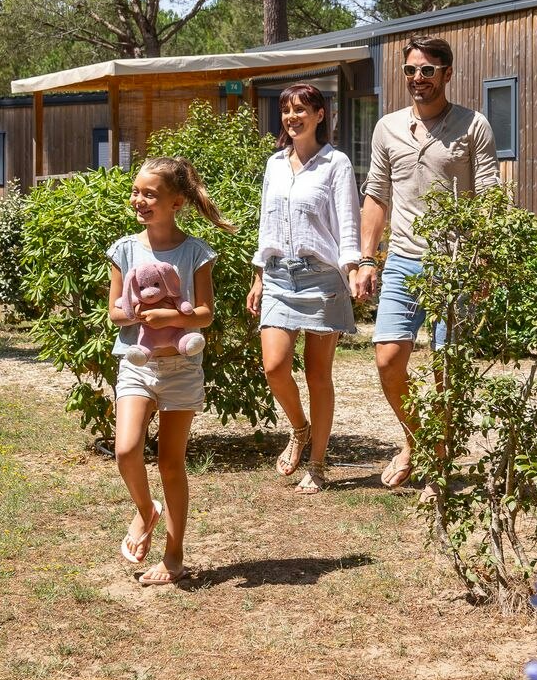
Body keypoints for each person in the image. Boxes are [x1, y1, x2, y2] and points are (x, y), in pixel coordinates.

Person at [349, 36, 500, 489]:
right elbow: (376, 195)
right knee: (388, 359)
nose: (418, 79)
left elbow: (489, 197)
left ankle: (436, 459)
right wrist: (366, 258)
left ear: (447, 74)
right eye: (411, 70)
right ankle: (420, 441)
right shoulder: (387, 128)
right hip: (404, 259)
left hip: (455, 265)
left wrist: (483, 263)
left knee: (446, 367)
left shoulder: (473, 125)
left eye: (428, 71)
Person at [106, 156, 230, 586]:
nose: (139, 200)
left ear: (177, 202)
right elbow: (114, 314)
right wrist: (137, 314)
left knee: (171, 464)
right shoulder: (124, 249)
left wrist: (170, 319)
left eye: (150, 194)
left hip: (180, 367)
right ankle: (146, 511)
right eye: (136, 191)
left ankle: (173, 556)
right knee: (126, 450)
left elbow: (205, 314)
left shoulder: (196, 252)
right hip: (137, 364)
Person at [246, 83, 360, 493]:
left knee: (318, 374)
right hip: (278, 275)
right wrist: (259, 274)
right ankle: (299, 428)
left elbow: (348, 221)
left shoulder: (336, 163)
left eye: (301, 110)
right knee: (274, 366)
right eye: (286, 111)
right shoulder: (275, 163)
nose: (293, 117)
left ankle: (317, 464)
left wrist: (353, 269)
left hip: (322, 277)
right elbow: (267, 222)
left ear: (320, 115)